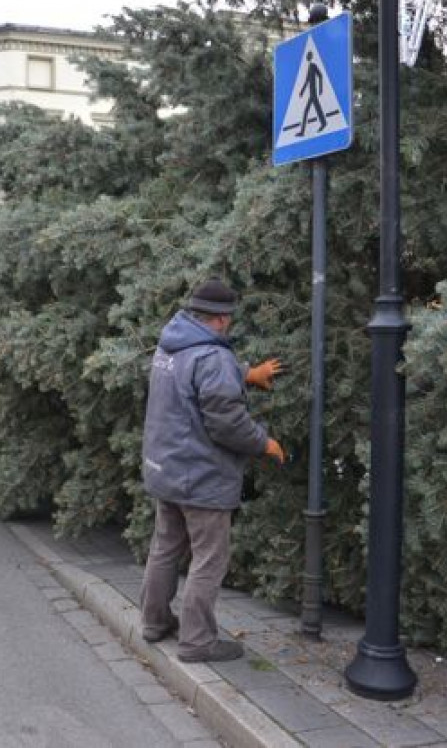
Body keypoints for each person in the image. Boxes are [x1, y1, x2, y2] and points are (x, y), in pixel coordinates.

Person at [139, 277, 286, 663]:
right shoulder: (212, 357)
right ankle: (198, 642)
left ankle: (154, 623)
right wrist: (264, 442)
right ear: (220, 320)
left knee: (165, 548)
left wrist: (247, 373)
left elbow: (195, 381)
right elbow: (227, 422)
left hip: (166, 468)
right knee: (209, 559)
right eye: (229, 319)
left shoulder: (170, 345)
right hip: (200, 476)